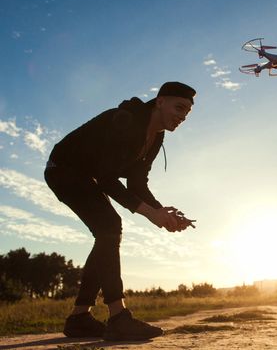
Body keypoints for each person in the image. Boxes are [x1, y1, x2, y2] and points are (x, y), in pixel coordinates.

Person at [44, 81, 196, 341]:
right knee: (110, 227)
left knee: (107, 232)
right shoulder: (125, 121)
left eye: (187, 113)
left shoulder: (156, 136)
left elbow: (137, 184)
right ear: (160, 102)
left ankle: (80, 317)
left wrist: (162, 212)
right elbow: (106, 179)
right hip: (64, 170)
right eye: (178, 108)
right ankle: (118, 317)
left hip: (87, 176)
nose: (182, 117)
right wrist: (151, 213)